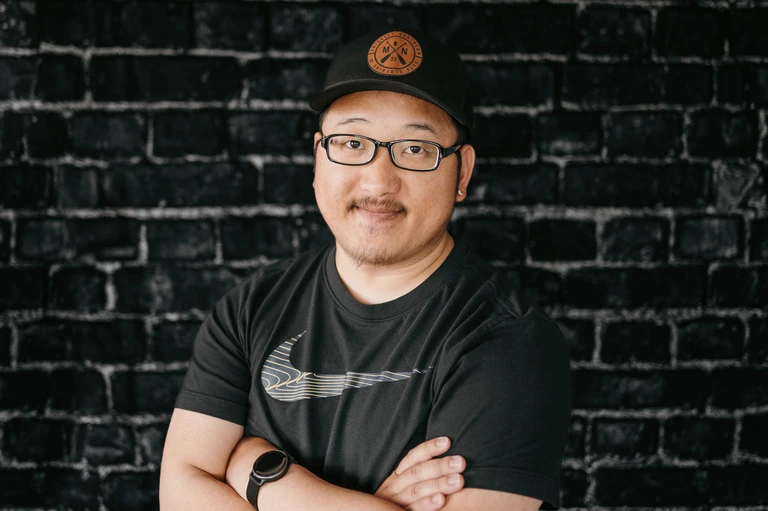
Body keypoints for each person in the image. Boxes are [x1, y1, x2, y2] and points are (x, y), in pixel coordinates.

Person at [159, 28, 571, 511]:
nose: (378, 179)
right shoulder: (251, 309)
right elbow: (180, 492)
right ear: (318, 158)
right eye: (352, 142)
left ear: (463, 173)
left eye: (415, 149)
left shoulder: (507, 342)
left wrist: (261, 476)